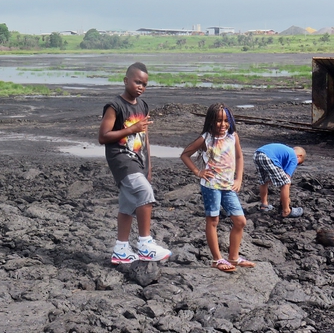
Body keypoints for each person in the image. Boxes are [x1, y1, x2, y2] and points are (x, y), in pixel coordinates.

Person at [99, 62, 172, 264]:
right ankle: (145, 244)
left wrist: (148, 166)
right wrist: (131, 129)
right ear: (126, 81)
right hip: (120, 159)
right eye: (137, 82)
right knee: (145, 193)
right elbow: (103, 136)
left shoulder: (143, 106)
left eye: (144, 84)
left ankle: (121, 249)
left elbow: (144, 136)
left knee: (128, 204)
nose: (141, 86)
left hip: (137, 159)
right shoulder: (115, 106)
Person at [180, 103, 254, 273]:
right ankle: (217, 259)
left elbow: (240, 156)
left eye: (226, 120)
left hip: (228, 186)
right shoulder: (205, 138)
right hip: (211, 186)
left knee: (240, 221)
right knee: (213, 221)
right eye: (219, 120)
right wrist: (197, 172)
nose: (223, 124)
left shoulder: (232, 136)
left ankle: (233, 257)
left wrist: (239, 178)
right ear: (211, 121)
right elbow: (185, 154)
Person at [254, 143, 306, 218]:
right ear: (299, 156)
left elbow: (280, 172)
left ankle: (264, 206)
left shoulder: (285, 152)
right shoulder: (294, 157)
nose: (296, 165)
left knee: (264, 181)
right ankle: (286, 211)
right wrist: (287, 199)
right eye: (299, 163)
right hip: (268, 157)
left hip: (257, 154)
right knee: (286, 183)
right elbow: (286, 179)